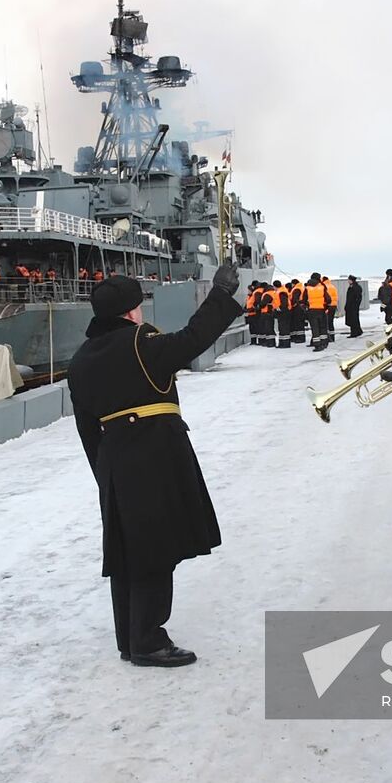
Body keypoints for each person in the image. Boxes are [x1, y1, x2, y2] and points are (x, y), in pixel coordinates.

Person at [67, 263, 243, 668]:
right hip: (152, 454)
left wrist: (105, 474)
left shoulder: (80, 360)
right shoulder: (139, 343)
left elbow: (86, 428)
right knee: (155, 549)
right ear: (131, 312)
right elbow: (192, 340)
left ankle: (130, 638)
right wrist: (220, 294)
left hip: (113, 457)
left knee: (128, 551)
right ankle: (148, 640)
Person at [305, 274, 330, 351]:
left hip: (312, 310)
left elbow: (303, 299)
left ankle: (317, 345)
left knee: (315, 328)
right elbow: (328, 299)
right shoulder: (322, 286)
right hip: (321, 310)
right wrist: (325, 307)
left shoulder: (307, 288)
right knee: (322, 327)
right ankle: (324, 343)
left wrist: (307, 306)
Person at [323, 275, 339, 342]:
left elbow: (326, 298)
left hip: (328, 306)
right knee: (331, 322)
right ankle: (332, 337)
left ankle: (329, 337)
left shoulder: (326, 287)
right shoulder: (332, 286)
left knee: (327, 322)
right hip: (334, 305)